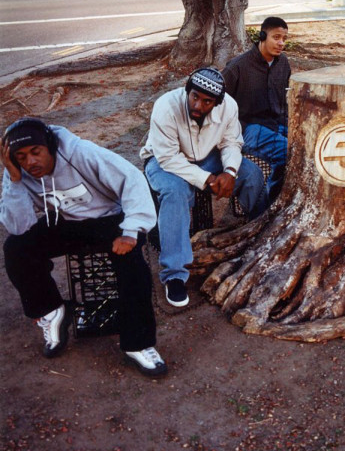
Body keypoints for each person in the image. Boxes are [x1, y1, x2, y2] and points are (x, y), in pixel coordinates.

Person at [1, 118, 167, 377]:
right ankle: (52, 311)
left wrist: (131, 231)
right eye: (21, 157)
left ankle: (139, 344)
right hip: (66, 223)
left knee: (133, 266)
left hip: (112, 221)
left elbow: (133, 181)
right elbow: (18, 226)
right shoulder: (19, 173)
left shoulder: (81, 153)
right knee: (16, 248)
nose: (30, 162)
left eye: (36, 152)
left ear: (50, 146)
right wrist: (14, 179)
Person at [141, 67, 268, 308]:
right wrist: (209, 179)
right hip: (163, 160)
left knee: (251, 174)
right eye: (194, 97)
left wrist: (230, 171)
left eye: (207, 101)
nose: (198, 105)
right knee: (175, 193)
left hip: (207, 156)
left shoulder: (228, 106)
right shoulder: (166, 107)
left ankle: (260, 238)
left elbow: (231, 142)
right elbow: (167, 158)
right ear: (187, 91)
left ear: (217, 102)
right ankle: (174, 275)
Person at [222, 16, 291, 201]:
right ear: (262, 36)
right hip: (247, 128)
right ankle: (272, 201)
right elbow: (217, 103)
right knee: (287, 151)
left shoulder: (283, 63)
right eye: (276, 37)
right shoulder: (237, 67)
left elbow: (284, 101)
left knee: (305, 144)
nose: (281, 43)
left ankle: (279, 196)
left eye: (284, 39)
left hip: (276, 123)